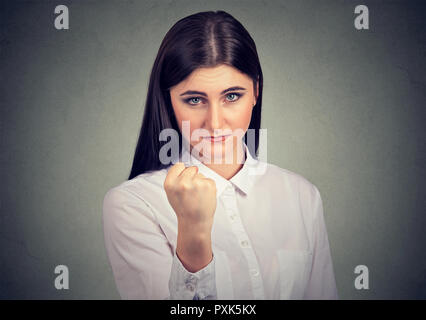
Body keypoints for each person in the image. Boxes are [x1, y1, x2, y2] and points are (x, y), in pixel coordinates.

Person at [102, 10, 338, 300]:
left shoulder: (303, 197)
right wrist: (193, 234)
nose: (214, 123)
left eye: (231, 96)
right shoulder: (132, 205)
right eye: (195, 100)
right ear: (169, 101)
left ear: (256, 92)